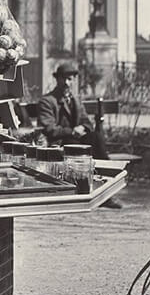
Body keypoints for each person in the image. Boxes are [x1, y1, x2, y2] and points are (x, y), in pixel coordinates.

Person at [35, 60, 123, 208]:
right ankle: (88, 193)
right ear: (57, 79)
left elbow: (87, 122)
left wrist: (82, 127)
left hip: (78, 140)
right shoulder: (47, 101)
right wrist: (72, 131)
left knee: (96, 138)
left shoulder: (75, 100)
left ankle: (107, 192)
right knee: (79, 148)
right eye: (64, 78)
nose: (67, 83)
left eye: (70, 79)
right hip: (60, 142)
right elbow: (49, 129)